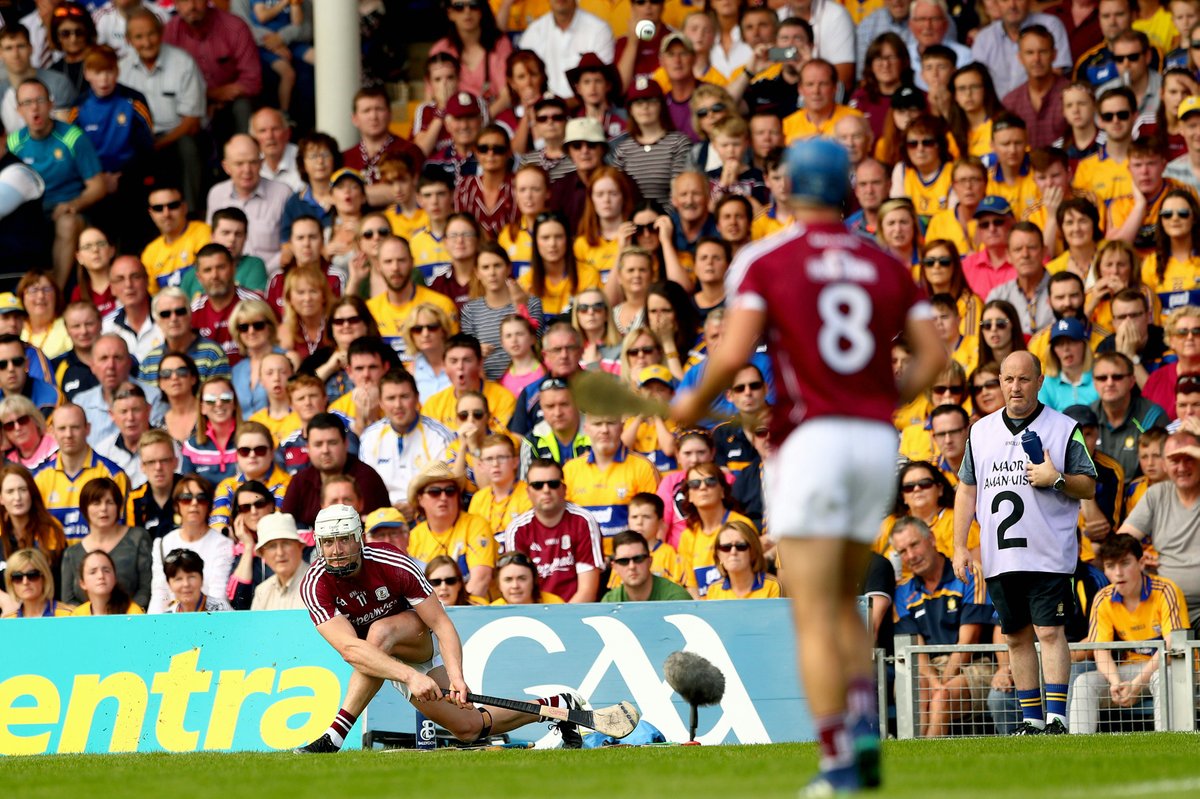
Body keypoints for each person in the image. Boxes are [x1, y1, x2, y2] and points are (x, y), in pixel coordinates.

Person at [671, 137, 946, 793]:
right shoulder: (882, 261)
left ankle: (840, 759)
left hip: (812, 441)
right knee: (843, 597)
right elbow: (935, 355)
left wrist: (688, 404)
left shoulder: (768, 259)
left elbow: (735, 351)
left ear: (787, 191)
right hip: (874, 442)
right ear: (847, 189)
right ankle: (862, 730)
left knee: (813, 608)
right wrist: (884, 400)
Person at [294, 503, 591, 754]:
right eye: (328, 542)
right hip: (382, 659)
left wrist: (458, 679)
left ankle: (334, 736)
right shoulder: (315, 583)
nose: (336, 550)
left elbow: (440, 623)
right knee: (469, 727)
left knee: (380, 631)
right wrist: (410, 676)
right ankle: (556, 705)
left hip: (414, 637)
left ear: (359, 538)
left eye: (344, 539)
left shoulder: (392, 562)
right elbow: (349, 649)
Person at [953, 351, 1099, 736]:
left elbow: (1089, 483)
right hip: (1000, 555)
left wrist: (1057, 478)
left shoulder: (1065, 428)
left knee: (1049, 631)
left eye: (1023, 379)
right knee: (1015, 636)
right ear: (1000, 382)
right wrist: (957, 545)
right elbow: (967, 491)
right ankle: (1031, 720)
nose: (1014, 387)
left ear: (1038, 382)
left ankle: (1056, 718)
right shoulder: (980, 431)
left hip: (1049, 553)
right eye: (1007, 379)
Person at [1068, 533, 1188, 733]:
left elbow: (1171, 646)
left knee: (1162, 677)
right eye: (1110, 566)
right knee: (1084, 682)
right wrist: (1117, 684)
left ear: (1141, 563)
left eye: (1125, 563)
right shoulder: (1103, 599)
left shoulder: (1166, 590)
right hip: (1128, 671)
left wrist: (1136, 684)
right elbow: (1101, 650)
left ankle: (1166, 742)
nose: (1118, 573)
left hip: (1171, 669)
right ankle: (1076, 749)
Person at [890, 515, 995, 738]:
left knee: (941, 697)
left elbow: (969, 641)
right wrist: (933, 681)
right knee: (917, 690)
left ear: (932, 539)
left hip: (975, 663)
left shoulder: (968, 573)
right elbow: (915, 651)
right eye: (903, 552)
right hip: (928, 668)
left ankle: (924, 764)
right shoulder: (903, 592)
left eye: (914, 544)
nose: (911, 556)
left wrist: (941, 684)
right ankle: (912, 759)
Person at [9, 77, 106, 286]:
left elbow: (98, 186)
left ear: (51, 104)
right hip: (32, 212)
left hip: (71, 209)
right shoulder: (13, 142)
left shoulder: (73, 137)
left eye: (40, 100)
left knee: (67, 223)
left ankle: (57, 292)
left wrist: (72, 205)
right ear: (18, 110)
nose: (34, 108)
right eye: (27, 103)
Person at [1118, 430, 1200, 630]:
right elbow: (1120, 544)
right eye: (1174, 460)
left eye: (1189, 458)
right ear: (1164, 463)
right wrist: (1139, 557)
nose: (1182, 467)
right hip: (1164, 605)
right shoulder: (1156, 495)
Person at [501, 457, 602, 603]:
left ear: (564, 489)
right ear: (528, 492)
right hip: (534, 615)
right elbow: (516, 590)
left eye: (553, 484)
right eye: (538, 485)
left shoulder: (583, 521)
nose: (546, 490)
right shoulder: (517, 529)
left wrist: (560, 623)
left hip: (576, 614)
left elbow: (587, 590)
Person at [359, 368, 454, 515]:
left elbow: (448, 487)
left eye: (404, 396)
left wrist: (416, 506)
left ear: (417, 398)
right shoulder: (370, 437)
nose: (398, 405)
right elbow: (367, 487)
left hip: (427, 515)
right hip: (382, 516)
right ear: (381, 403)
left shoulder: (439, 435)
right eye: (391, 398)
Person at [281, 412, 390, 530]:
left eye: (332, 443)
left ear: (346, 444)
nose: (325, 450)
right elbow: (284, 527)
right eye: (318, 444)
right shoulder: (299, 481)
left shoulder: (367, 478)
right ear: (308, 448)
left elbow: (379, 532)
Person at [404, 461, 495, 601]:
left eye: (450, 491)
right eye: (434, 492)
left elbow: (480, 581)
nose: (443, 497)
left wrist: (455, 612)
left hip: (471, 610)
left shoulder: (475, 524)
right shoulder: (413, 537)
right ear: (420, 499)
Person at [58, 475, 151, 608]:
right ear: (85, 508)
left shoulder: (138, 538)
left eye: (110, 502)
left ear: (119, 506)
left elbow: (146, 589)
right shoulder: (72, 553)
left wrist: (124, 616)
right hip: (88, 624)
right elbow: (68, 599)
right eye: (96, 503)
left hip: (132, 622)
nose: (103, 508)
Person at [148, 475, 234, 613]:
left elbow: (218, 594)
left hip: (211, 619)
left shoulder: (223, 544)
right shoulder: (163, 543)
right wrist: (153, 629)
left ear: (210, 505)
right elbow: (159, 594)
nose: (194, 503)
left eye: (201, 499)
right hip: (174, 619)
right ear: (176, 505)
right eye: (186, 498)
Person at [601, 529, 690, 602]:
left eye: (638, 559)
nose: (632, 566)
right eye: (624, 561)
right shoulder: (609, 602)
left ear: (650, 561)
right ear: (614, 567)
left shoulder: (677, 599)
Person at [703, 519, 780, 600]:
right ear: (718, 555)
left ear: (753, 551)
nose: (733, 552)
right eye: (726, 547)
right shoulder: (714, 590)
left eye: (741, 546)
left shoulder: (773, 586)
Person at [125, 428, 180, 539]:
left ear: (175, 462)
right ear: (142, 467)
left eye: (164, 460)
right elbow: (134, 545)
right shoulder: (134, 499)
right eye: (151, 462)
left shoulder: (190, 493)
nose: (158, 467)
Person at [3, 547, 73, 617]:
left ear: (44, 577)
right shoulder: (7, 621)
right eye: (17, 577)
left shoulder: (69, 615)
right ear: (10, 582)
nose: (25, 582)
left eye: (32, 575)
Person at [71, 548, 144, 615]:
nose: (101, 576)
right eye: (93, 572)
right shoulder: (77, 615)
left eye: (106, 570)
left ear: (115, 578)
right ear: (82, 583)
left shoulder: (133, 613)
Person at [161, 547, 231, 612]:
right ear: (169, 584)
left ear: (202, 578)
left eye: (191, 577)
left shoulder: (221, 609)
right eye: (178, 579)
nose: (186, 584)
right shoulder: (168, 617)